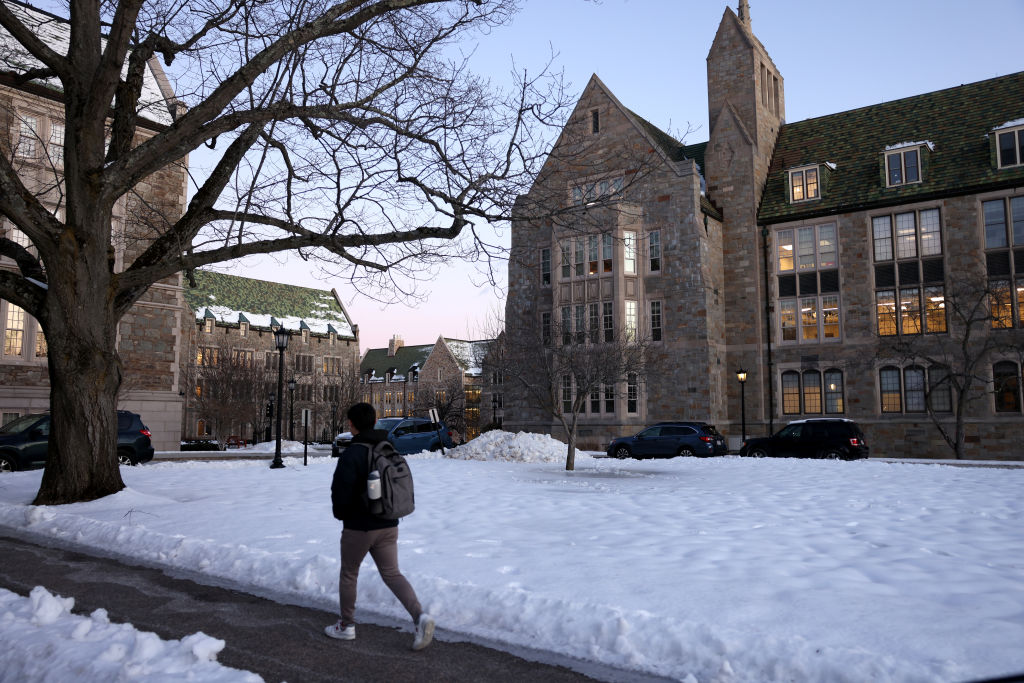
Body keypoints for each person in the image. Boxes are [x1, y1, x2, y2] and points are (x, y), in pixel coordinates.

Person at [325, 402, 434, 650]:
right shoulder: (387, 448)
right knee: (392, 573)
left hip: (359, 527)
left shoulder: (353, 453)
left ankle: (346, 625)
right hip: (389, 524)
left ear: (351, 425)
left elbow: (340, 493)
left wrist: (342, 516)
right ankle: (419, 617)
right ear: (375, 422)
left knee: (349, 573)